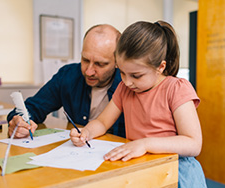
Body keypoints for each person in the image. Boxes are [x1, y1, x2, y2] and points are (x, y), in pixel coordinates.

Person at [70, 21, 207, 187]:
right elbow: (102, 122)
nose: (127, 82)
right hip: (141, 168)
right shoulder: (125, 89)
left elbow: (193, 143)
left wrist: (146, 144)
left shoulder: (176, 89)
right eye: (122, 72)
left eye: (136, 75)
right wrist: (87, 133)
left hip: (176, 172)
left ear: (160, 67)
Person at [7, 24, 125, 138]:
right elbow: (34, 107)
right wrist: (19, 121)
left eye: (100, 64)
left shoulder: (128, 84)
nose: (89, 72)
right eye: (85, 60)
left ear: (117, 62)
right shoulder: (68, 76)